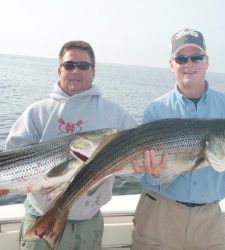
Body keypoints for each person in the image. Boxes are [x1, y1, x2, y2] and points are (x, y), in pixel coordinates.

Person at [5, 40, 136, 250]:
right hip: (40, 217)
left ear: (93, 71)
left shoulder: (116, 114)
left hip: (87, 222)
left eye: (83, 66)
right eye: (69, 65)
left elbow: (136, 152)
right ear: (59, 70)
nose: (76, 70)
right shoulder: (36, 112)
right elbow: (12, 160)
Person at [131, 28, 225, 250]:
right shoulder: (156, 110)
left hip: (209, 220)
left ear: (206, 61)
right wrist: (154, 172)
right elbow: (153, 175)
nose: (189, 63)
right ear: (171, 65)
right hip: (159, 214)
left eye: (196, 57)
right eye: (181, 58)